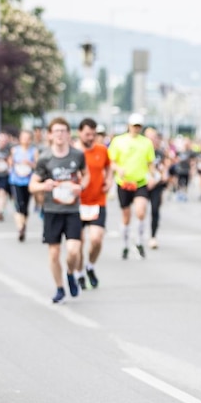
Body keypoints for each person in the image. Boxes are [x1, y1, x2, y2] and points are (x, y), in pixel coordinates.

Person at [28, 118, 88, 303]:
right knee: (54, 253)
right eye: (56, 131)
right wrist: (43, 185)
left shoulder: (77, 155)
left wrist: (81, 187)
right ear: (50, 135)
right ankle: (60, 288)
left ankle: (70, 273)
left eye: (63, 131)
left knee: (73, 250)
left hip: (72, 210)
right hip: (52, 210)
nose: (60, 134)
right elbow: (32, 185)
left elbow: (86, 175)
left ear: (69, 134)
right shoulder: (45, 157)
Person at [108, 112, 155, 260]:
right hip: (124, 183)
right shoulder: (118, 141)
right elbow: (111, 161)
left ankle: (139, 241)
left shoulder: (146, 142)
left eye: (139, 126)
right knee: (126, 216)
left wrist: (153, 176)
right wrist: (118, 169)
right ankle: (125, 244)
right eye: (134, 126)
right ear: (129, 126)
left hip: (140, 182)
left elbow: (150, 162)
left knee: (141, 212)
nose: (136, 128)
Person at [75, 118, 112, 289]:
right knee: (79, 242)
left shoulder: (102, 150)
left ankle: (90, 266)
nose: (91, 137)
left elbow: (108, 167)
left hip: (98, 200)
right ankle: (79, 273)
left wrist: (109, 180)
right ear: (79, 132)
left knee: (96, 239)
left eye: (93, 134)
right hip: (77, 203)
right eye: (87, 134)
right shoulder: (73, 151)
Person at [9, 130, 38, 242]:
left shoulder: (33, 151)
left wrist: (29, 163)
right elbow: (10, 163)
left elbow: (37, 165)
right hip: (16, 180)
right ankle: (20, 227)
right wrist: (13, 163)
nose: (25, 140)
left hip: (28, 181)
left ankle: (23, 224)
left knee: (25, 207)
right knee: (19, 204)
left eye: (27, 138)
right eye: (23, 137)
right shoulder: (15, 150)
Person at [144, 127, 169, 249]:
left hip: (157, 184)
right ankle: (139, 234)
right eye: (149, 137)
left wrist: (163, 175)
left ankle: (153, 236)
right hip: (143, 183)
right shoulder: (140, 151)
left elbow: (164, 167)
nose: (151, 139)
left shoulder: (160, 152)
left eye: (154, 137)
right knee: (141, 210)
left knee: (155, 210)